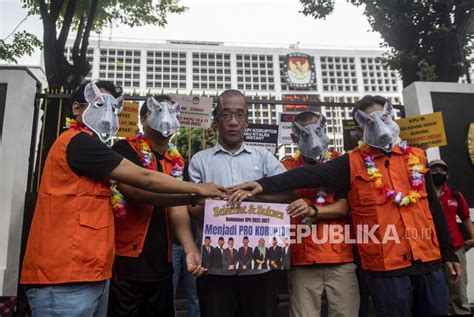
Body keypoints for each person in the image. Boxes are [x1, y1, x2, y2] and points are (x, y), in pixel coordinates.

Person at [229, 95, 461, 317]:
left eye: (385, 118)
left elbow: (433, 207)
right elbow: (305, 175)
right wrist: (260, 185)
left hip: (429, 262)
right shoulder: (352, 162)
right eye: (371, 121)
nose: (380, 126)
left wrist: (448, 253)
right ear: (361, 128)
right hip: (386, 266)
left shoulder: (418, 158)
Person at [20, 83, 225, 317]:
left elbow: (172, 202)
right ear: (77, 108)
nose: (108, 114)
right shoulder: (79, 143)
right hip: (65, 274)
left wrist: (189, 243)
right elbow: (143, 180)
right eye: (99, 105)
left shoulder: (173, 160)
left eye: (114, 108)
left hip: (94, 271)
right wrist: (197, 190)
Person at [188, 89, 292, 317]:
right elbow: (192, 209)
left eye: (240, 115)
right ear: (216, 121)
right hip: (214, 268)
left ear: (247, 121)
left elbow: (287, 193)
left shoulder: (264, 158)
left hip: (259, 267)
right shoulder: (200, 160)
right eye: (226, 115)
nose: (233, 122)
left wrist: (252, 195)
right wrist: (215, 202)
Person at [107, 95, 206, 316]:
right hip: (126, 264)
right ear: (143, 119)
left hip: (162, 266)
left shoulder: (177, 161)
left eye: (173, 113)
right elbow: (137, 193)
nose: (167, 118)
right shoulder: (124, 149)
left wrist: (190, 249)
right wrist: (194, 194)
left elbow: (178, 207)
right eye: (159, 111)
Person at [282, 111, 359, 317]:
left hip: (340, 258)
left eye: (318, 131)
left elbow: (344, 206)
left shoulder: (340, 163)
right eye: (305, 135)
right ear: (294, 138)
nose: (314, 139)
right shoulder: (285, 167)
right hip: (302, 260)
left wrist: (314, 210)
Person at [430, 159, 474, 315]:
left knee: (458, 291)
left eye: (442, 171)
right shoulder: (421, 196)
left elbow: (465, 216)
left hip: (456, 249)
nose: (438, 173)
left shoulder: (454, 194)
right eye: (434, 170)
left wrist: (473, 237)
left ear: (447, 175)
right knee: (437, 292)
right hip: (431, 251)